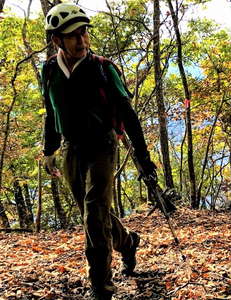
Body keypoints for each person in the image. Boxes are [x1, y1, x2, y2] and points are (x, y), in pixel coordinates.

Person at [41, 3, 157, 299]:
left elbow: (129, 116)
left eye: (83, 33)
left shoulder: (103, 68)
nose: (81, 41)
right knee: (92, 212)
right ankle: (128, 241)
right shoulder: (51, 69)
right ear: (57, 40)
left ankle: (101, 287)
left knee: (94, 213)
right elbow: (50, 112)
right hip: (71, 148)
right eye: (73, 36)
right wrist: (49, 150)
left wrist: (145, 161)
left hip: (102, 147)